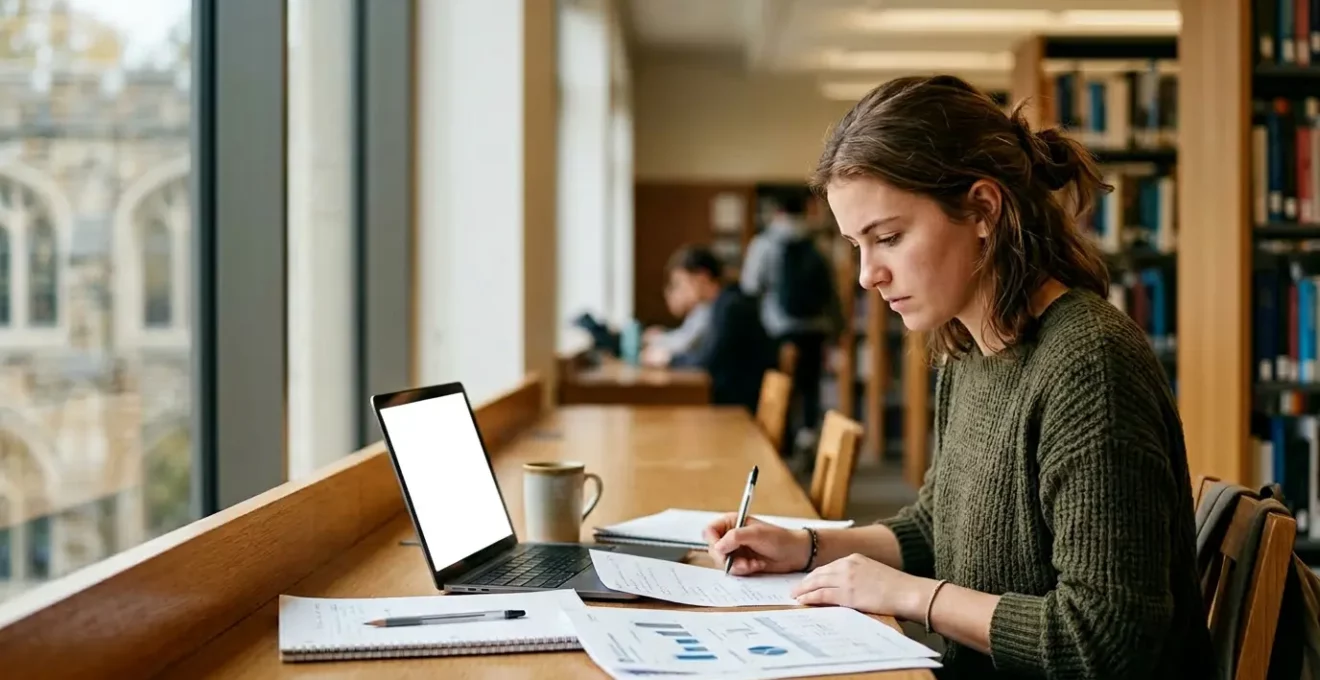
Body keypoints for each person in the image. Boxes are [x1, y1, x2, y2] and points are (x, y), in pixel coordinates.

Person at [703, 75, 1212, 679]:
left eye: (888, 238)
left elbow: (1104, 639)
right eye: (855, 246)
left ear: (982, 209)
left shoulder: (1089, 365)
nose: (868, 276)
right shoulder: (968, 351)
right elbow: (935, 525)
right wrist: (808, 545)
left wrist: (912, 596)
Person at [740, 192, 841, 454]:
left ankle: (780, 440)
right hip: (815, 328)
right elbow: (831, 291)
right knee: (810, 386)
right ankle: (807, 436)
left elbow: (750, 286)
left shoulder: (763, 243)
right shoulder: (818, 243)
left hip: (777, 329)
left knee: (781, 385)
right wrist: (838, 329)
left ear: (776, 213)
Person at [642, 245, 773, 413]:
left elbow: (707, 361)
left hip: (737, 409)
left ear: (702, 278)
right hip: (734, 401)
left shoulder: (730, 307)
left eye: (683, 283)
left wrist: (670, 360)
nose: (681, 291)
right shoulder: (723, 303)